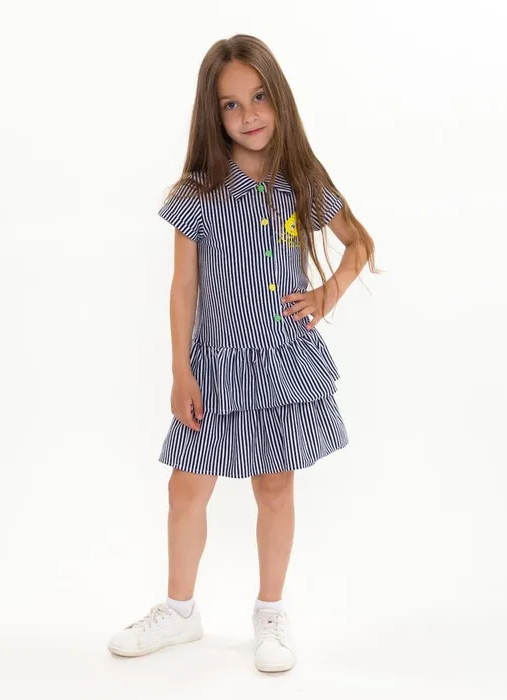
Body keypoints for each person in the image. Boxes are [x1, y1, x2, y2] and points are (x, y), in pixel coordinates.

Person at [107, 34, 380, 673]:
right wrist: (180, 370)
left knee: (275, 485)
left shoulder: (302, 181)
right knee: (186, 486)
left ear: (278, 98)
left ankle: (270, 613)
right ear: (214, 114)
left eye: (258, 97)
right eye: (231, 104)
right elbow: (183, 287)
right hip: (214, 366)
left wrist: (326, 295)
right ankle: (180, 612)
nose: (249, 114)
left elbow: (359, 243)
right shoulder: (197, 191)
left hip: (283, 360)